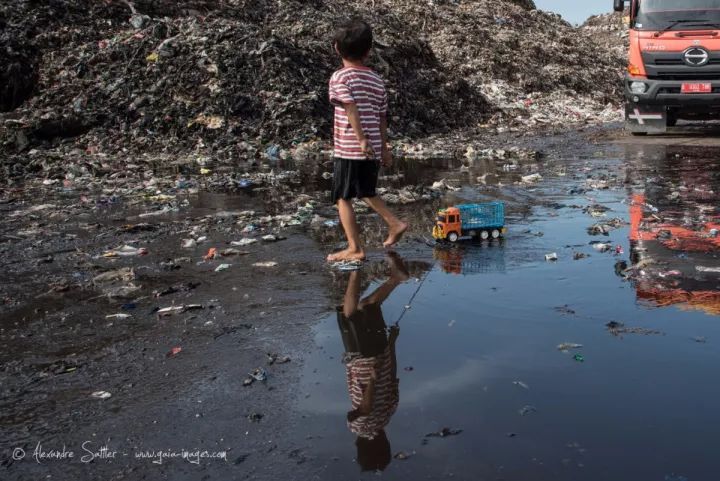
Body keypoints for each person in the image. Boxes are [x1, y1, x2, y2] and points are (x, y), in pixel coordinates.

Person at [327, 19, 408, 262]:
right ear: (369, 51)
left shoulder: (340, 78)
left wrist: (360, 139)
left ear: (336, 48)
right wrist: (384, 147)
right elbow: (382, 117)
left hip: (351, 147)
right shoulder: (376, 80)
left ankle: (355, 248)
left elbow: (350, 107)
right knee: (366, 191)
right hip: (372, 146)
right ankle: (394, 224)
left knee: (342, 197)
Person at [336, 253, 409, 471]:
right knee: (349, 315)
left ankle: (397, 278)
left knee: (368, 305)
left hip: (381, 353)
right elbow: (365, 408)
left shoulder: (389, 414)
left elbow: (394, 375)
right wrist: (371, 383)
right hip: (363, 360)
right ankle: (355, 265)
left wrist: (392, 342)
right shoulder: (360, 427)